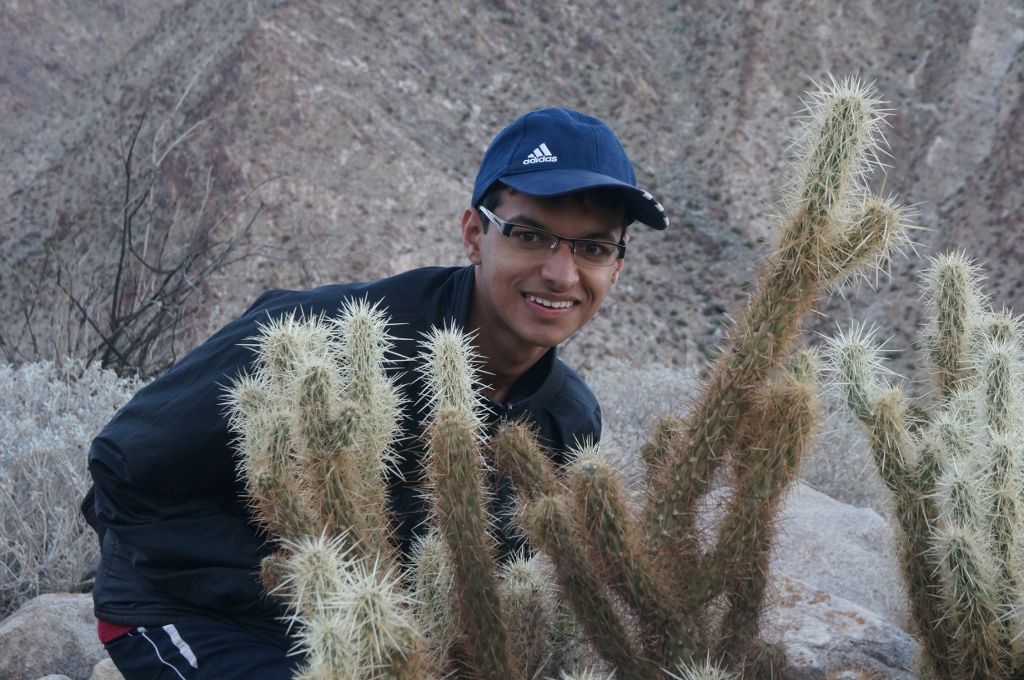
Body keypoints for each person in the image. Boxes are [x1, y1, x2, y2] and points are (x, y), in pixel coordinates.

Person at [83, 107, 668, 678]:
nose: (561, 274)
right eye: (531, 235)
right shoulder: (327, 336)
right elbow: (123, 459)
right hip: (194, 613)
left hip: (387, 648)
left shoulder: (568, 419)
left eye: (592, 247)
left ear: (615, 268)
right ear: (474, 234)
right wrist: (292, 584)